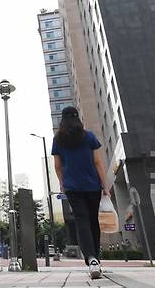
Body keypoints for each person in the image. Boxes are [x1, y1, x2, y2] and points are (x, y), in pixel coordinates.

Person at [52, 106, 109, 280]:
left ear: (62, 120)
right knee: (93, 221)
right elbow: (98, 162)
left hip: (73, 188)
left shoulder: (58, 139)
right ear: (78, 118)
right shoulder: (89, 136)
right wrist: (105, 186)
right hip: (92, 186)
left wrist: (62, 183)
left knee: (82, 221)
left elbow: (57, 166)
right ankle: (96, 259)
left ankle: (91, 259)